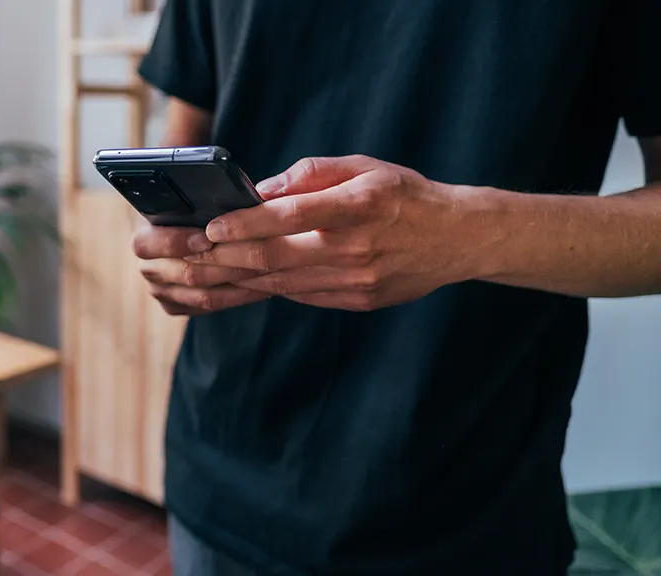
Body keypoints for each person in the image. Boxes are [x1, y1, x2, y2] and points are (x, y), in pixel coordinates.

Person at [131, 1, 661, 575]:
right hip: (218, 473)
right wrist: (177, 253)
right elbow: (185, 141)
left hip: (464, 509)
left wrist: (463, 232)